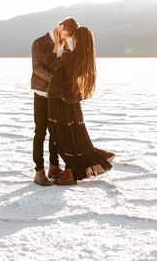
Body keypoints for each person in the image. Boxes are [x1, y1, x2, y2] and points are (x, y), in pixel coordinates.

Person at [47, 26, 115, 185]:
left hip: (62, 101)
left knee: (63, 135)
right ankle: (71, 170)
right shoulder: (84, 57)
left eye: (74, 38)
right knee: (73, 135)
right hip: (71, 102)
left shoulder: (71, 56)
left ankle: (71, 173)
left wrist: (57, 43)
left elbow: (53, 64)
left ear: (78, 40)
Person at [31, 17, 79, 186]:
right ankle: (39, 172)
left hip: (57, 95)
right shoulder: (39, 43)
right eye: (67, 34)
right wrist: (54, 80)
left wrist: (69, 46)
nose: (67, 38)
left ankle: (53, 166)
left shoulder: (65, 44)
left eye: (69, 36)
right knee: (41, 131)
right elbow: (37, 68)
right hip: (42, 93)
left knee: (55, 132)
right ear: (60, 27)